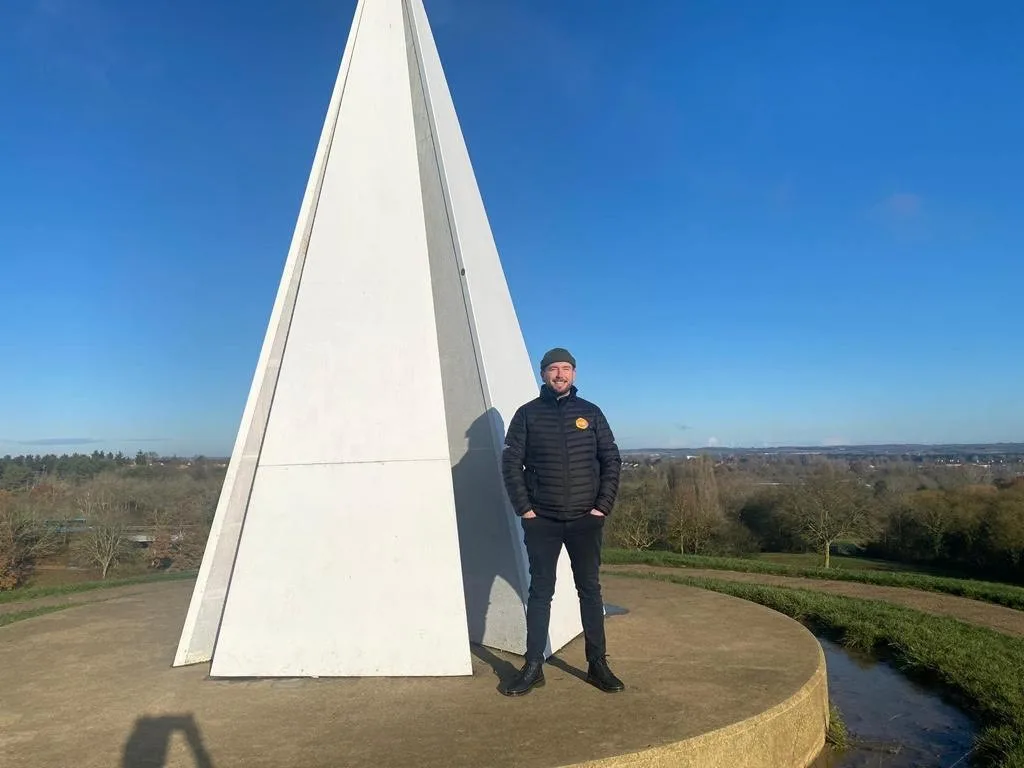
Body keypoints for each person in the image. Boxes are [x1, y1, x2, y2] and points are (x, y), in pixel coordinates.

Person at [499, 347, 624, 696]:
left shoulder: (591, 413)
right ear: (543, 374)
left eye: (566, 368)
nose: (560, 374)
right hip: (543, 521)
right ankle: (533, 666)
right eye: (553, 368)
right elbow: (511, 464)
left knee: (590, 590)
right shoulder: (527, 415)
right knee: (541, 592)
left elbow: (611, 460)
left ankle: (597, 664)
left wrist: (602, 507)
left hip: (586, 520)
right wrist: (525, 509)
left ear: (574, 374)